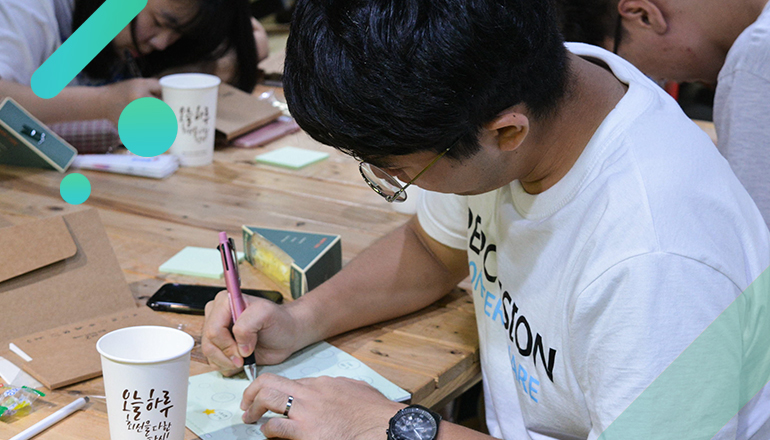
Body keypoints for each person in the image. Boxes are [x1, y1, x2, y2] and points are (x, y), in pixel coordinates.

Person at [202, 0, 770, 439]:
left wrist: (386, 427)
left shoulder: (658, 261)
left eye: (396, 170)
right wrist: (300, 319)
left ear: (507, 132)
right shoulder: (529, 83)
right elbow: (432, 250)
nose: (392, 181)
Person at [555, 0, 770, 229]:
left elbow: (758, 238)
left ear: (642, 14)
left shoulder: (754, 61)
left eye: (622, 67)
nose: (659, 80)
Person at [0, 0, 269, 125]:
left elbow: (255, 38)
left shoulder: (117, 26)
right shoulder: (27, 8)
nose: (162, 43)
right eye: (159, 22)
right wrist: (102, 103)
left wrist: (207, 67)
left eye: (177, 33)